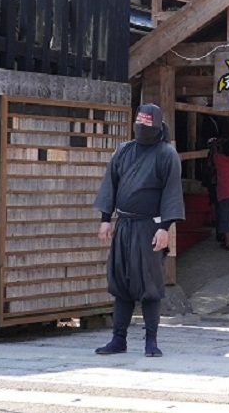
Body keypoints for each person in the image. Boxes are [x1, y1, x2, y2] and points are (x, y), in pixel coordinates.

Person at [93, 103, 184, 358]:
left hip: (150, 226)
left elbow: (171, 193)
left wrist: (165, 228)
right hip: (123, 224)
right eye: (139, 124)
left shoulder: (166, 154)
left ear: (156, 127)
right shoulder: (123, 150)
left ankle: (151, 341)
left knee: (149, 284)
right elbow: (110, 184)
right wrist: (105, 220)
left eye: (147, 125)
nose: (142, 129)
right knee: (121, 281)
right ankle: (118, 338)